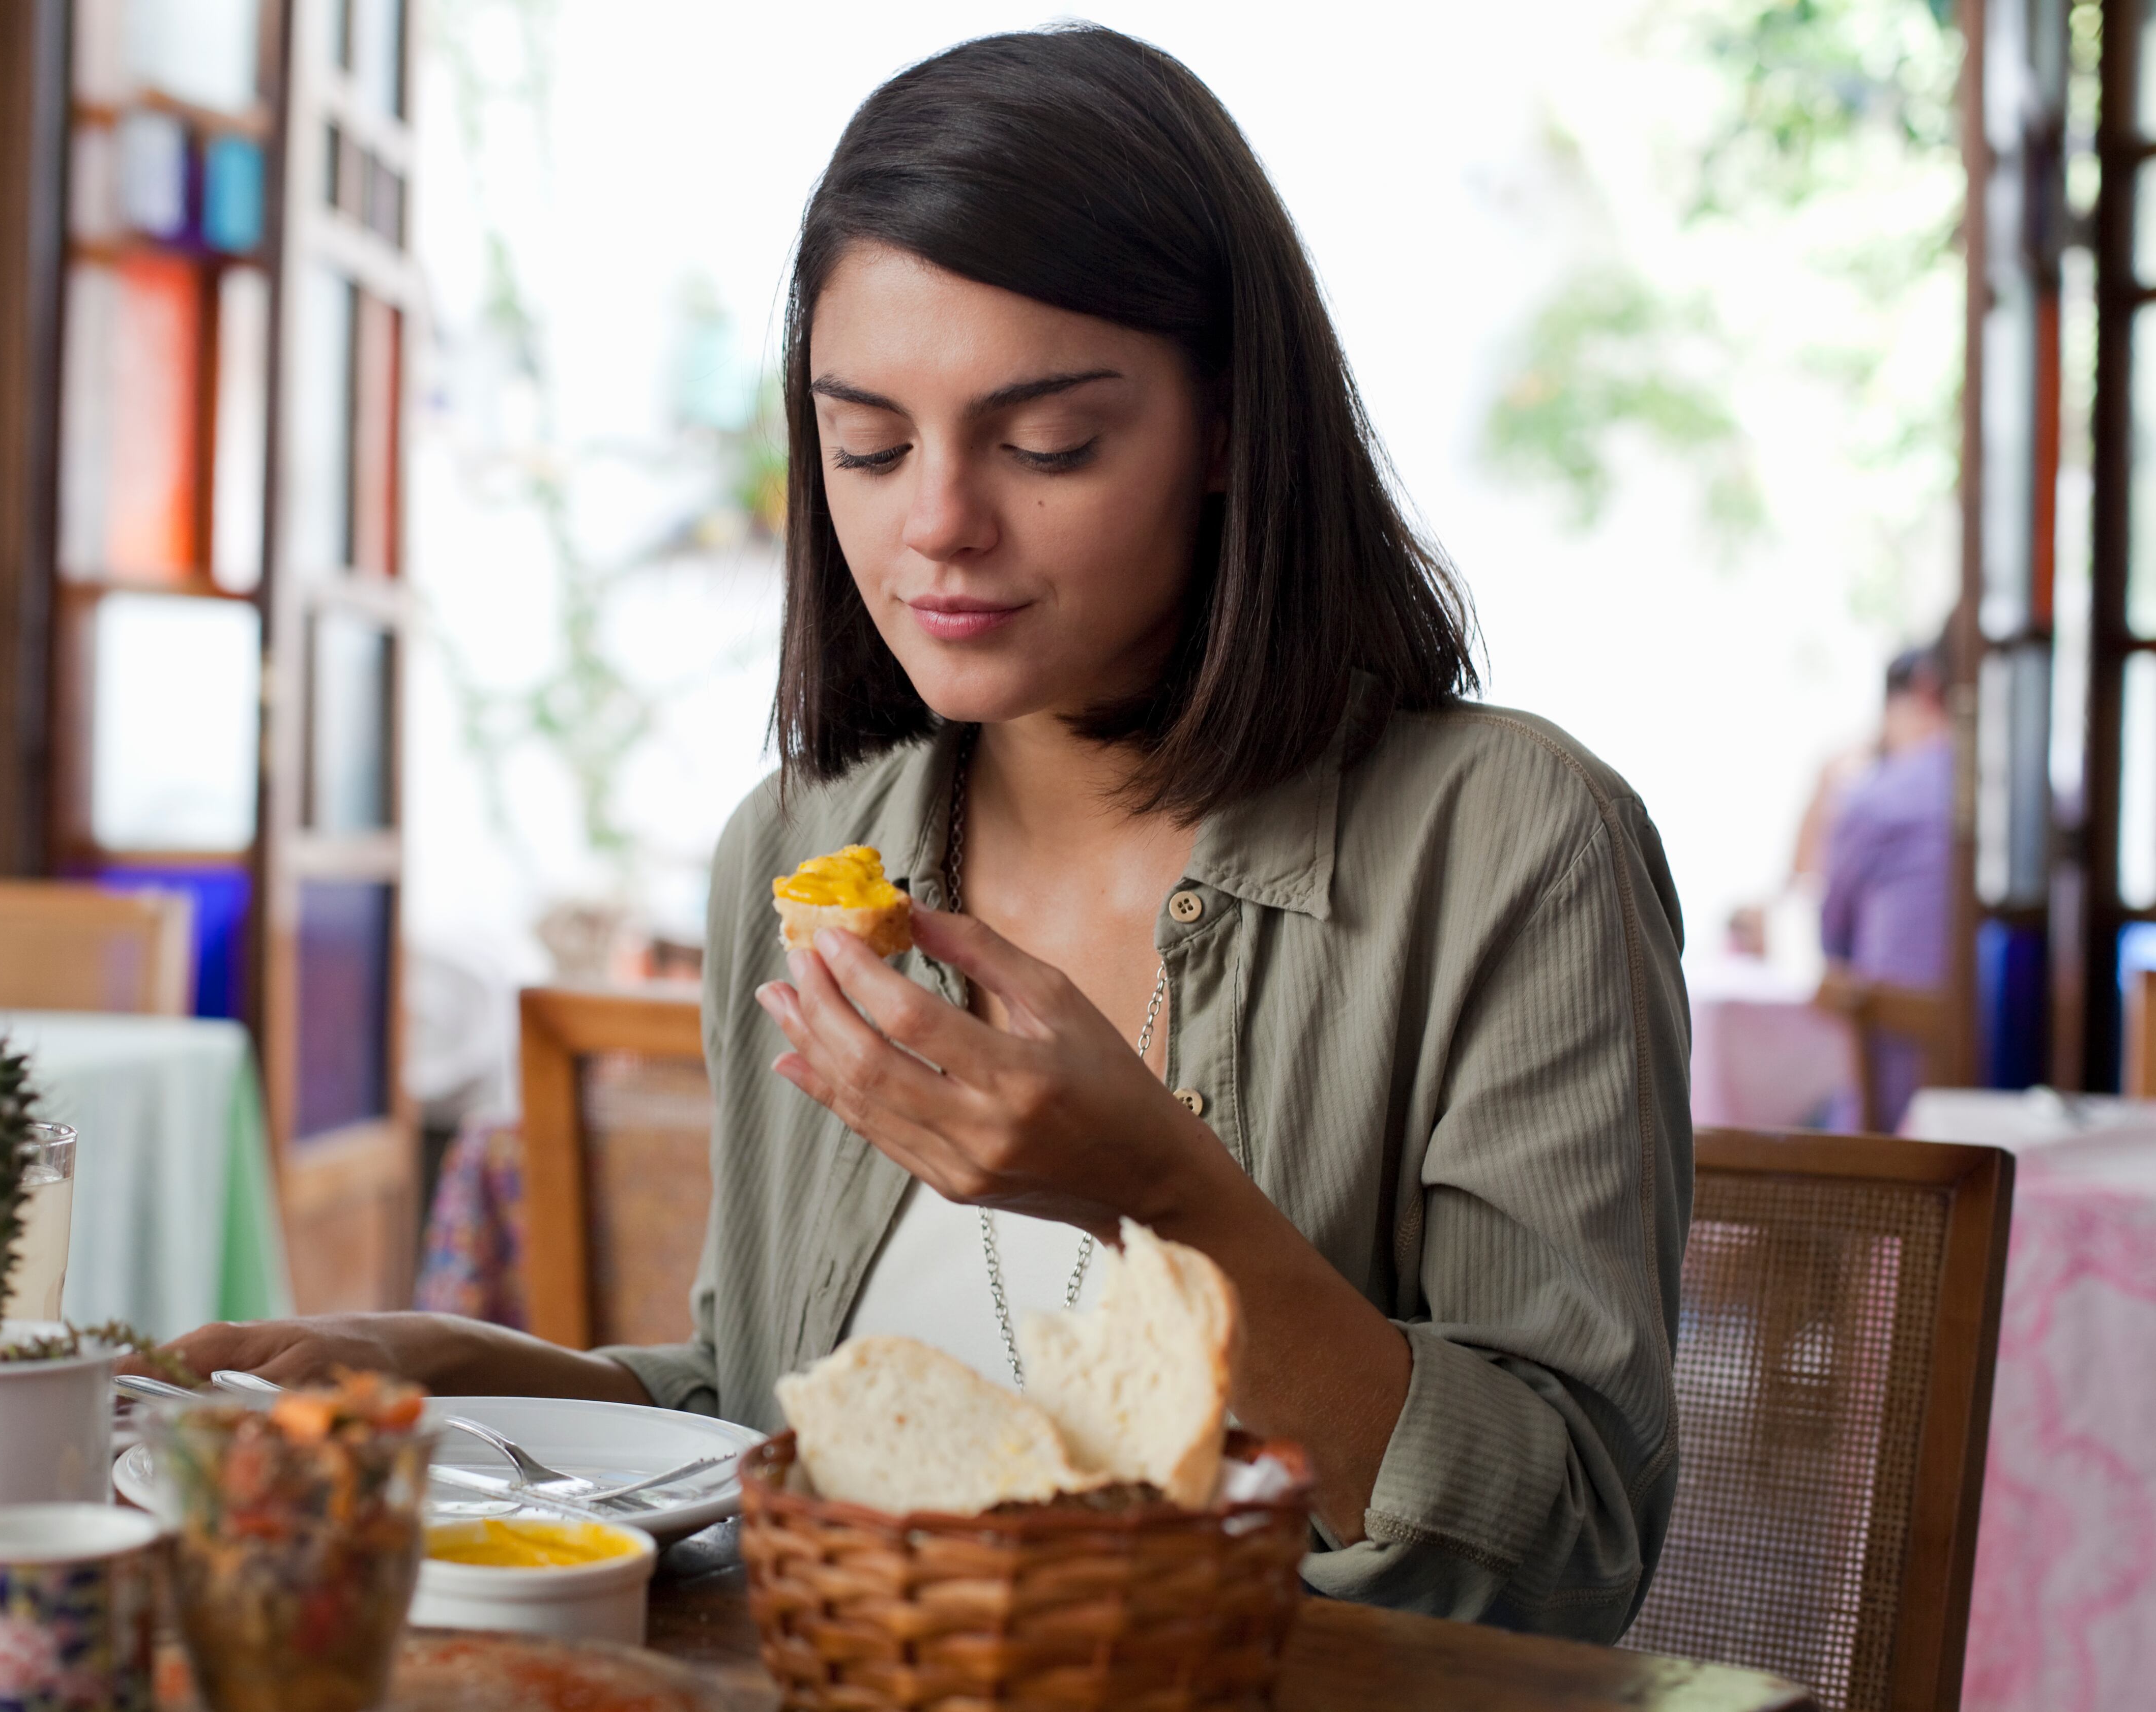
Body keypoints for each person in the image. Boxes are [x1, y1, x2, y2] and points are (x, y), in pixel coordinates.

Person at [150, 26, 1693, 1640]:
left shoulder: (1513, 844)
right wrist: (474, 1370)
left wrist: (1160, 1201)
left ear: (1230, 429)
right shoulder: (801, 852)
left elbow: (1566, 1545)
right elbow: (783, 1406)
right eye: (866, 444)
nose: (934, 521)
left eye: (1045, 445)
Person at [1819, 642, 1955, 1129]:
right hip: (2015, 1084)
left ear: (1923, 691)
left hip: (1894, 1107)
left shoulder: (1874, 798)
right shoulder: (2031, 794)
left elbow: (1832, 939)